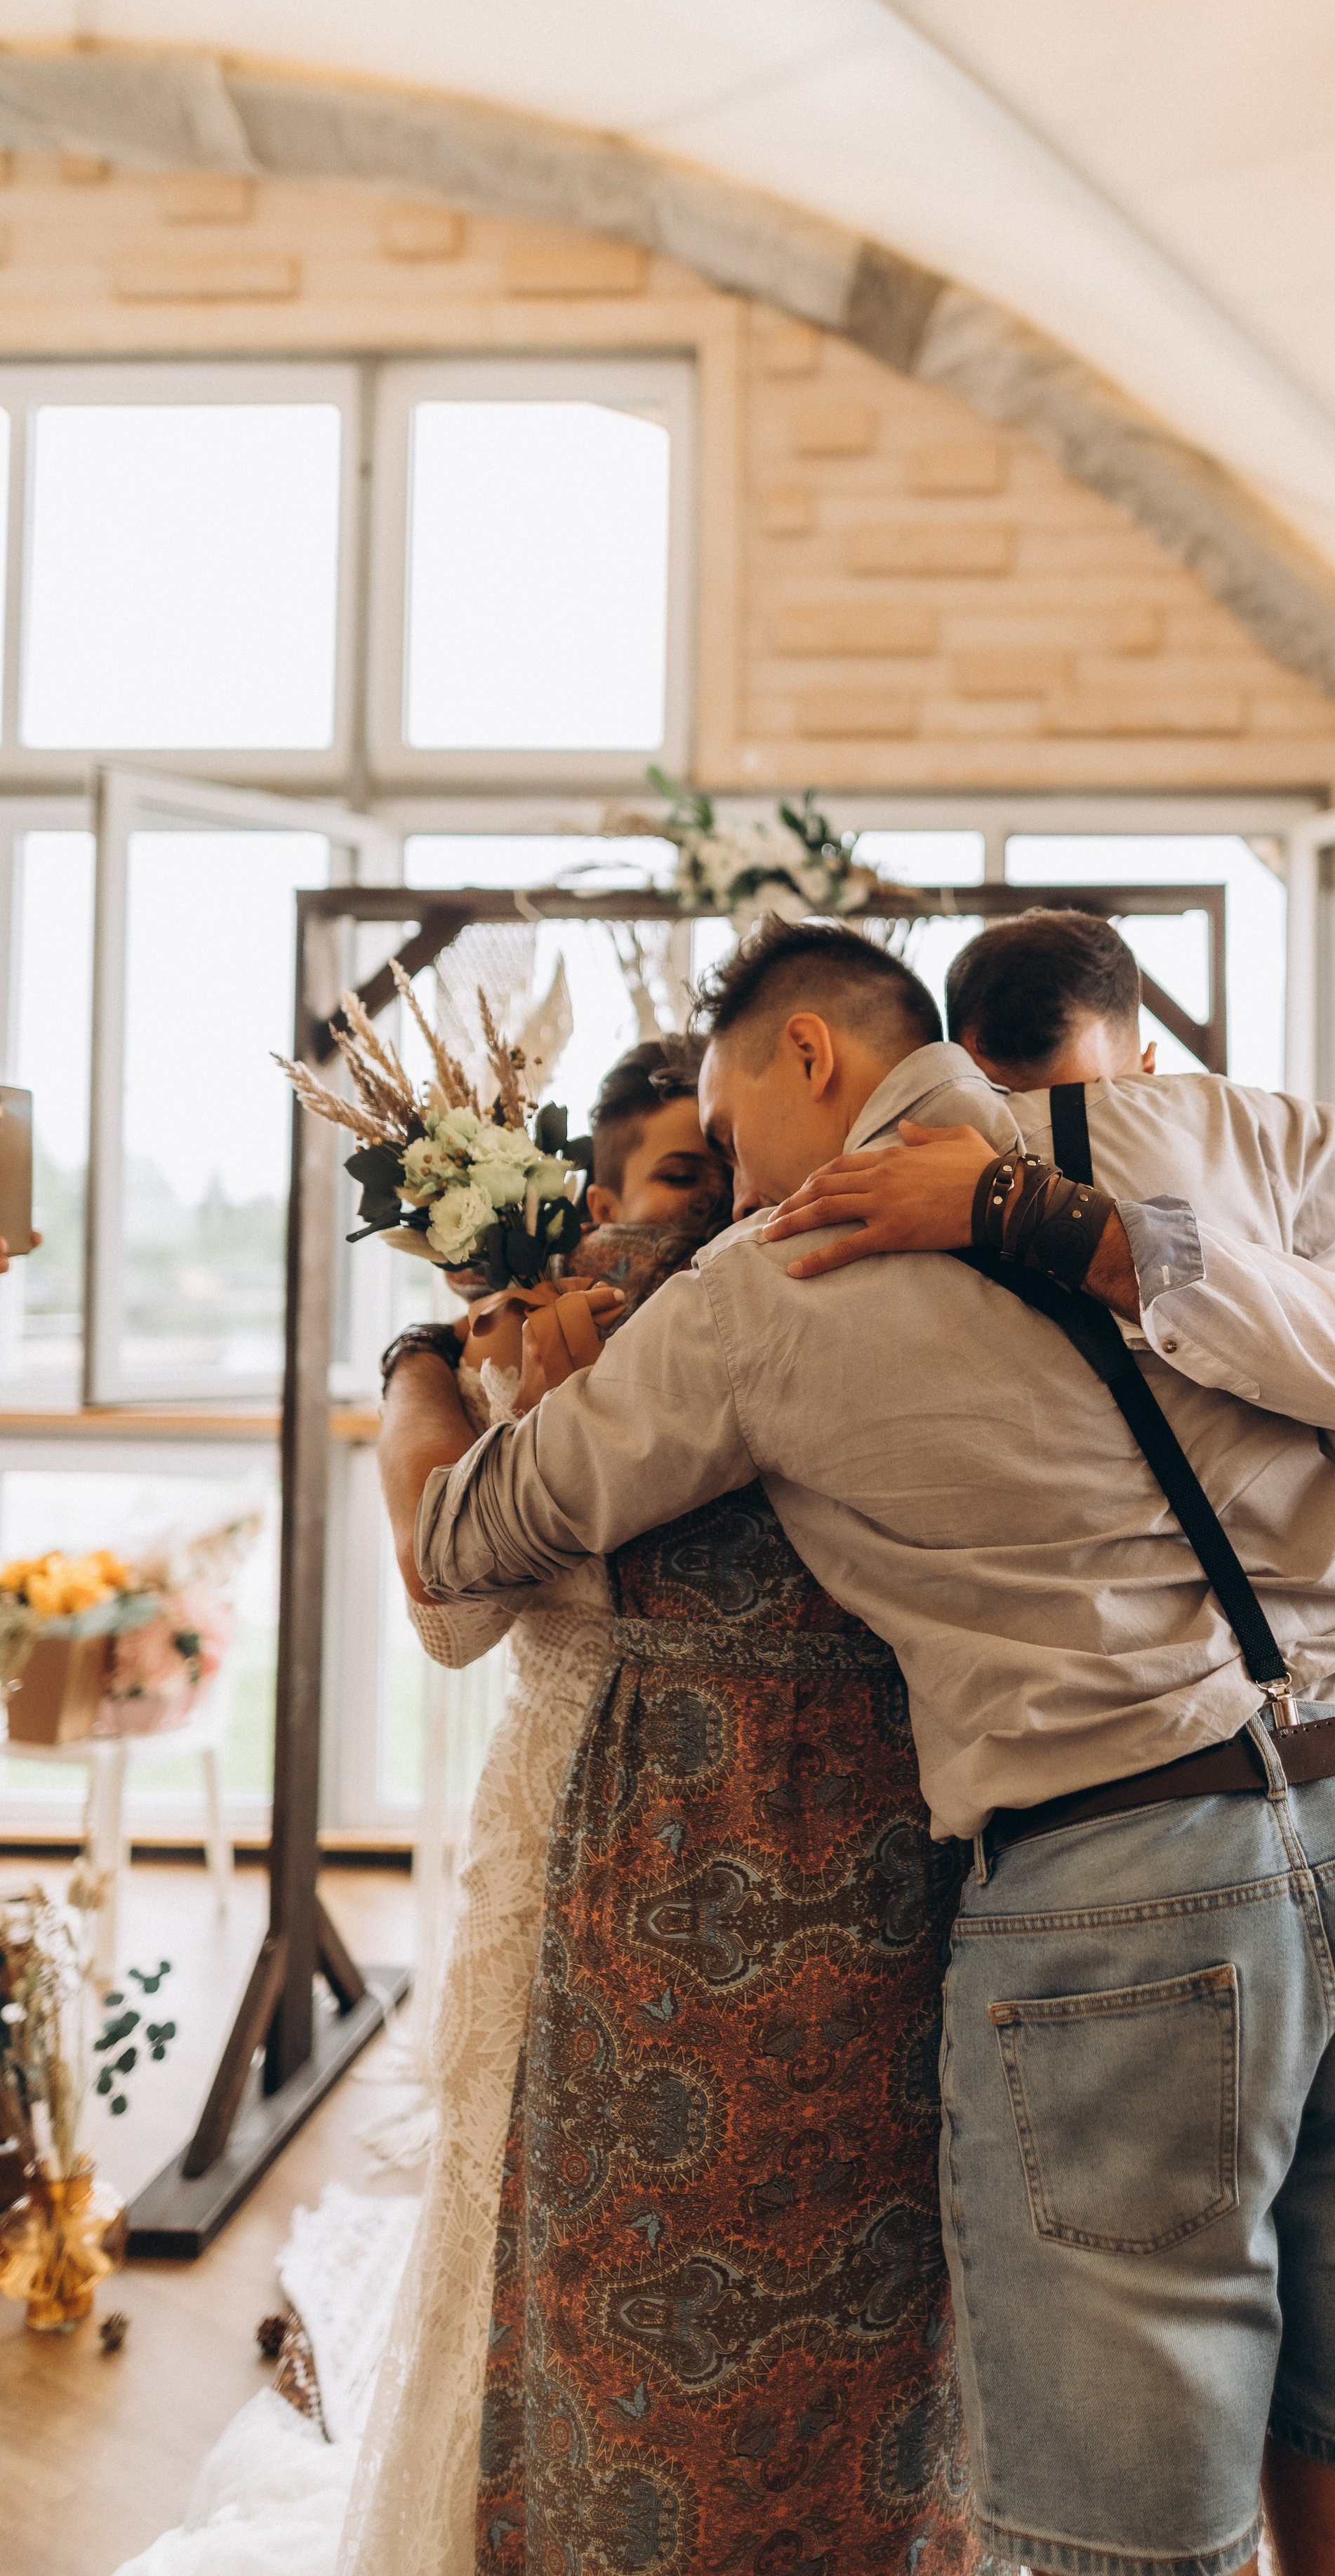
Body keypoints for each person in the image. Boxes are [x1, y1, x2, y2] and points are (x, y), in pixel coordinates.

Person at [399, 919, 1335, 2576]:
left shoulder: (765, 1282)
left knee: (1133, 2526)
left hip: (1124, 1883)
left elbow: (468, 1544)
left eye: (727, 1118)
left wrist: (432, 1372)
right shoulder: (1203, 1128)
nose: (729, 1171)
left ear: (808, 1058)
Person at [340, 1042, 735, 2576]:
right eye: (681, 1175)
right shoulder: (534, 1343)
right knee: (525, 2215)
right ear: (597, 1200)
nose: (716, 1205)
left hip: (782, 1836)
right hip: (567, 1809)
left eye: (731, 1169)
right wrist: (429, 1367)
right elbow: (449, 1621)